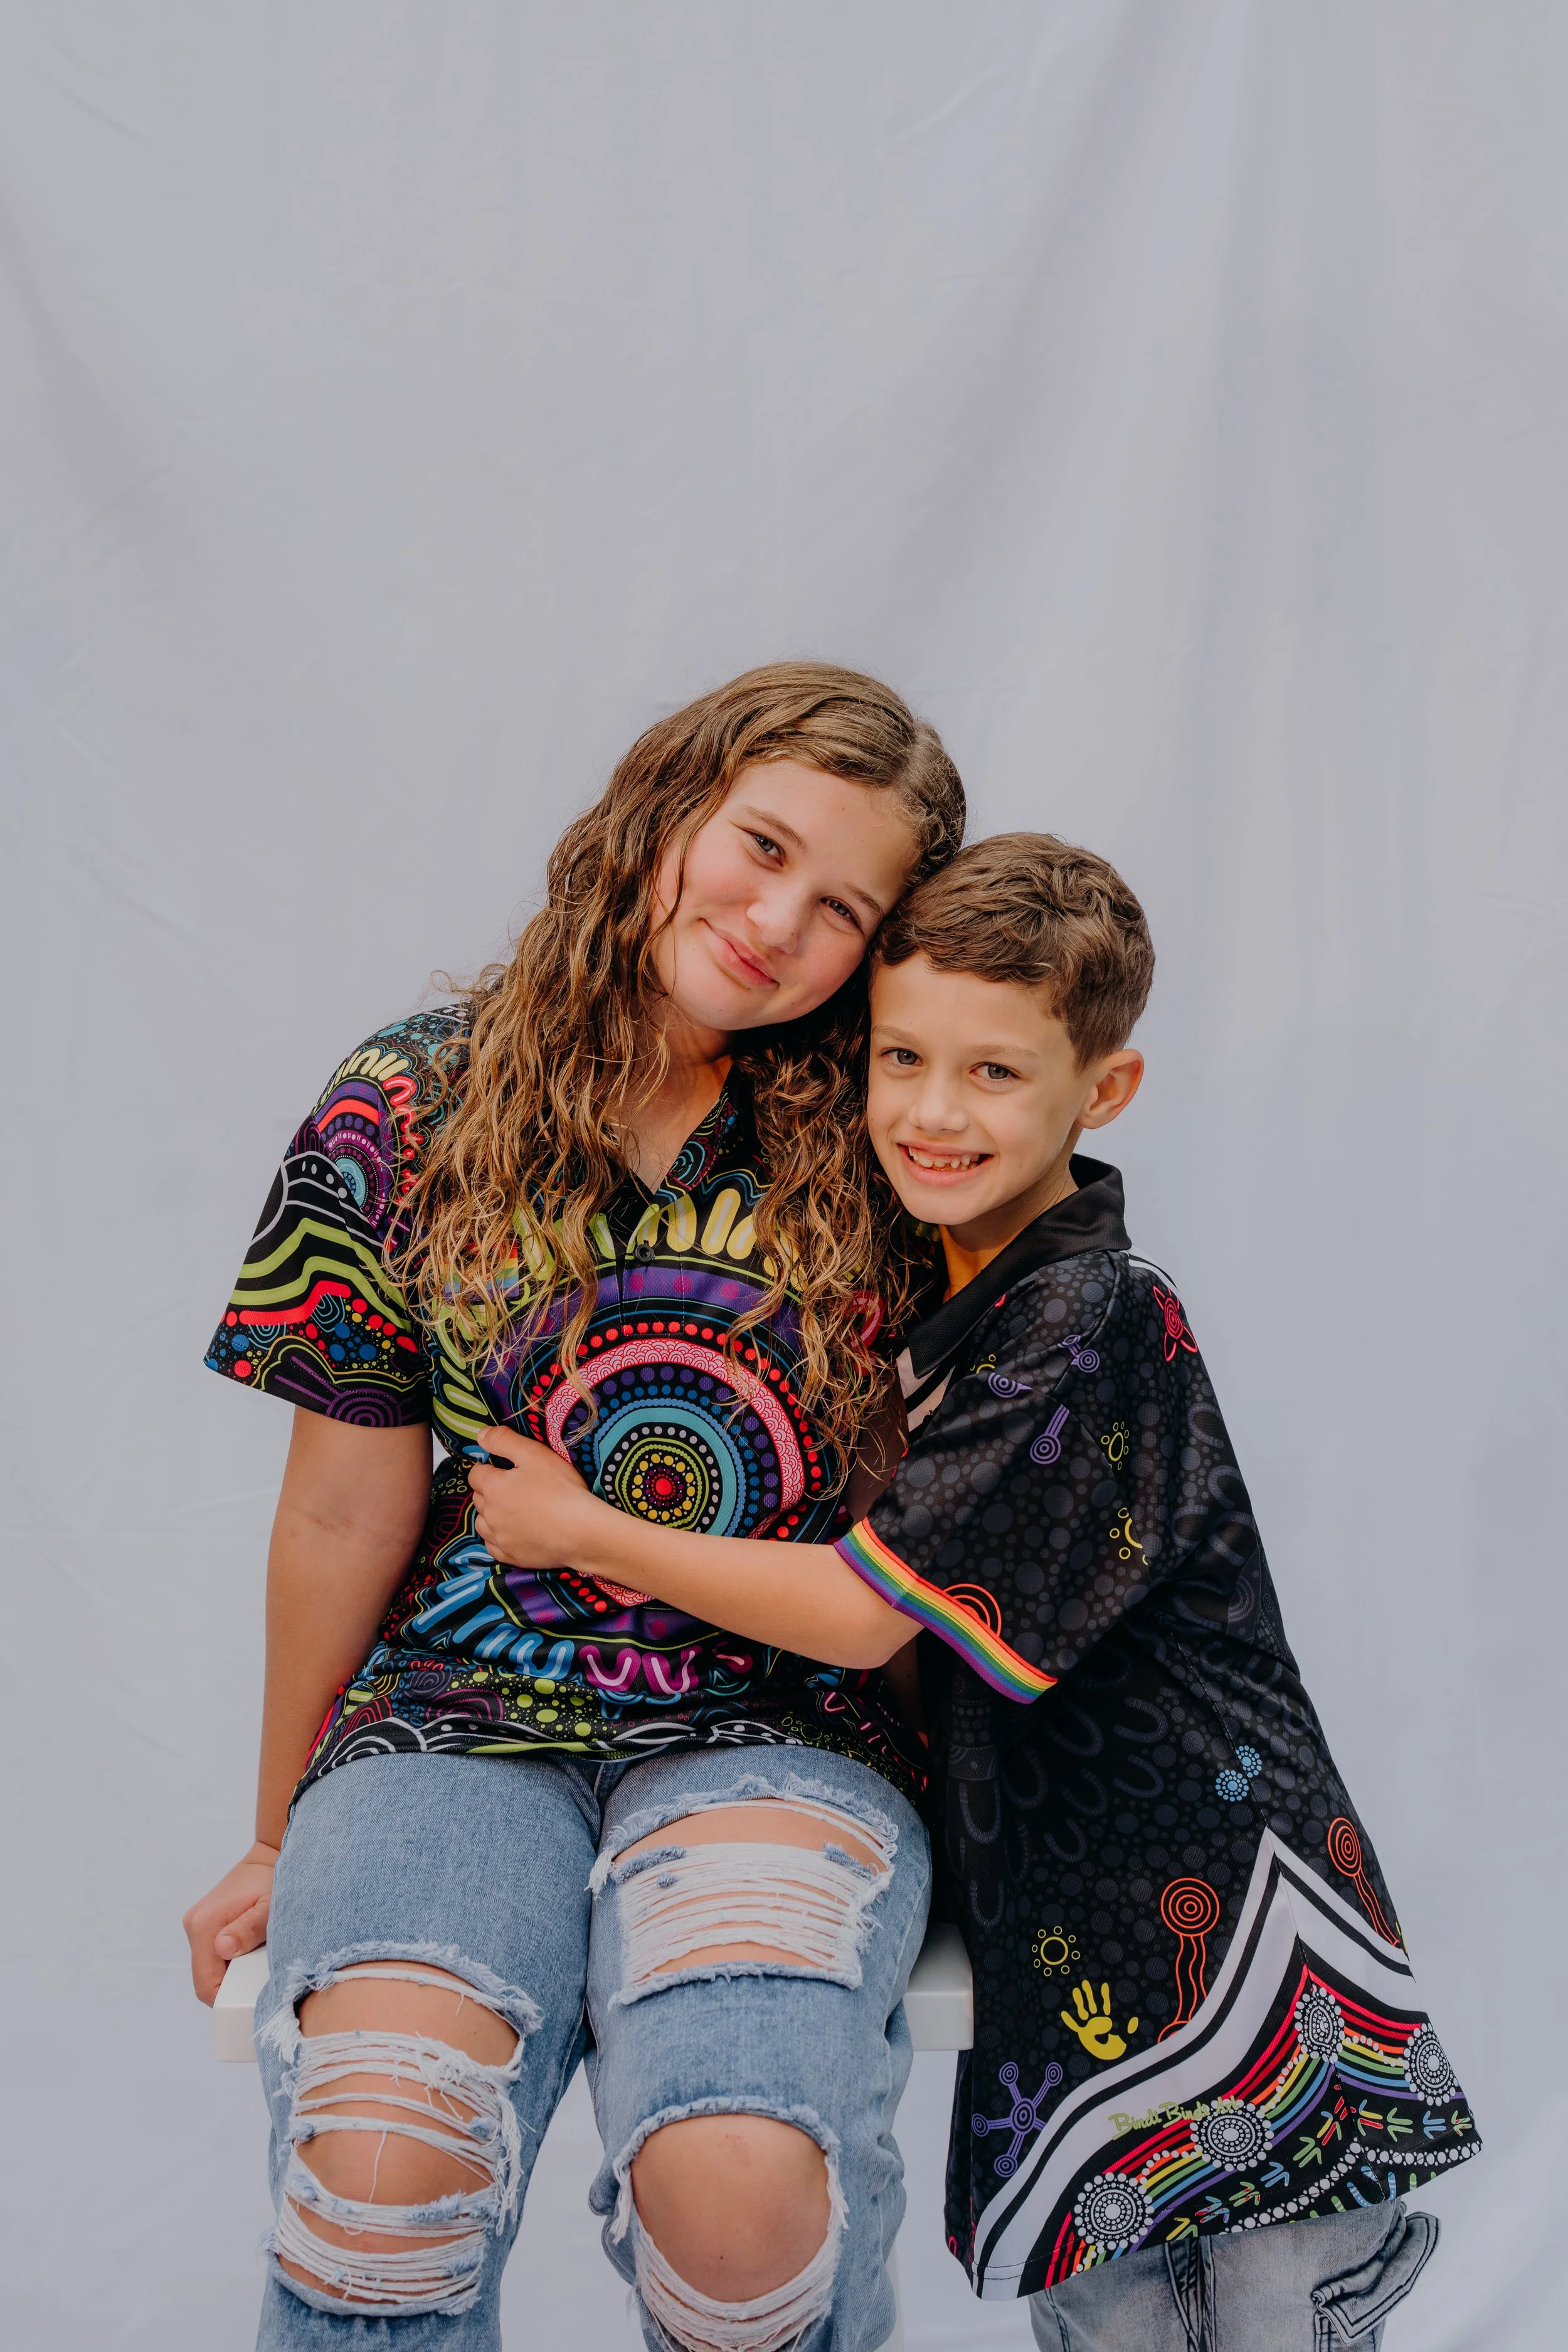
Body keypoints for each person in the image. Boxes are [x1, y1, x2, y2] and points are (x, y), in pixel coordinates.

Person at [487, 833, 1479, 2350]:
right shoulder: (952, 1289)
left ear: (1104, 1091)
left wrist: (584, 1529)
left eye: (993, 1075)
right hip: (1079, 1945)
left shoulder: (1084, 1316)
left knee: (1268, 2323)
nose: (931, 1113)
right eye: (901, 1058)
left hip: (1222, 1938)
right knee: (1113, 2327)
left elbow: (861, 1610)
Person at [183, 662, 967, 2352]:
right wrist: (273, 1825)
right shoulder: (404, 1102)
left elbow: (934, 1545)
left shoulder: (901, 1141)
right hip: (453, 1723)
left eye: (842, 908)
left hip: (790, 1722)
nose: (775, 921)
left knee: (742, 2207)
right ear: (666, 802)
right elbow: (337, 1515)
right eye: (759, 845)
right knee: (379, 2169)